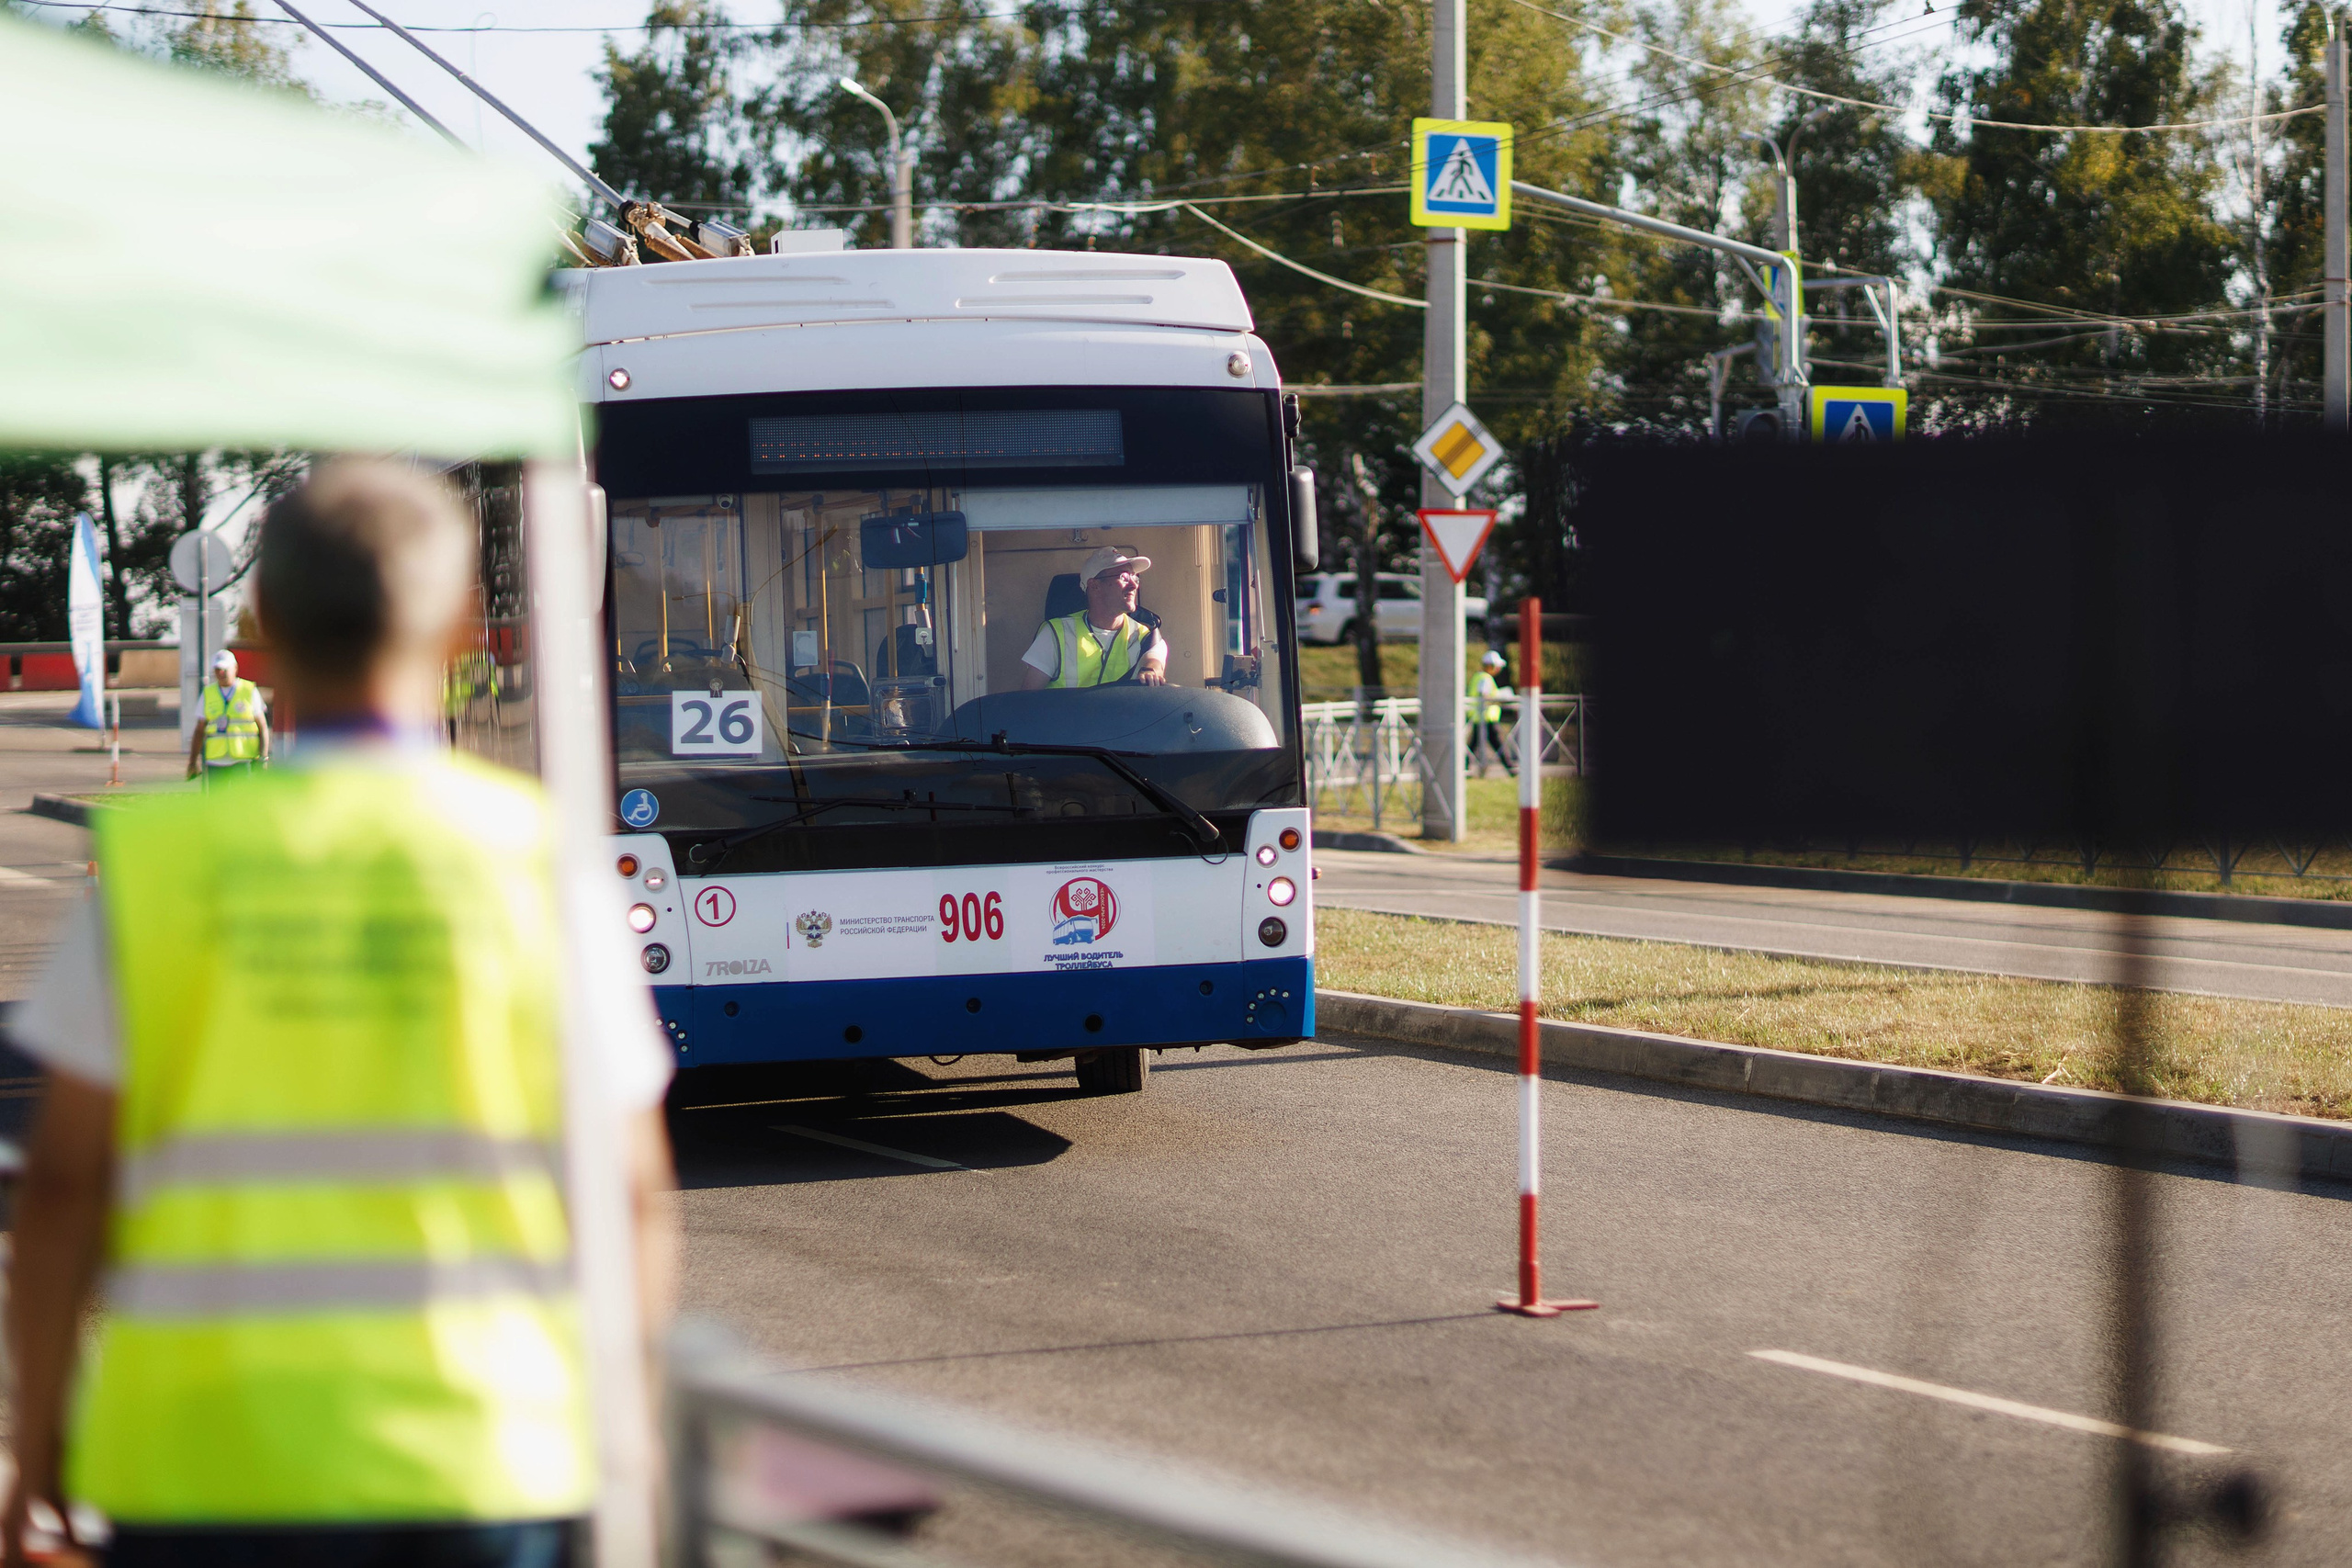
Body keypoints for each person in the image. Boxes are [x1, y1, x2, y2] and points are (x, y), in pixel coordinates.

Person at [6, 460, 677, 1568]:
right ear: (462, 625)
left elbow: (65, 1189)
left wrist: (37, 1462)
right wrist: (627, 1452)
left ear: (261, 617)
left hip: (200, 1466)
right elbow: (629, 1194)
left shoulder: (159, 863)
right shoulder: (539, 859)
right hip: (483, 1463)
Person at [1019, 546, 1168, 689]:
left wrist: (1150, 671)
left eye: (1135, 578)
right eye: (1124, 577)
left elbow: (1154, 662)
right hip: (1065, 715)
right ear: (1095, 586)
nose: (1134, 586)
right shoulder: (1056, 633)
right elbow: (1029, 701)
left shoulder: (1146, 635)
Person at [184, 647, 269, 781]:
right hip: (216, 761)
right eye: (217, 669)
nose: (221, 673)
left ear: (235, 668)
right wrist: (193, 761)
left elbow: (262, 726)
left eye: (225, 669)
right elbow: (200, 729)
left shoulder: (249, 691)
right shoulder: (208, 693)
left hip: (243, 759)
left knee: (241, 801)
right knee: (217, 802)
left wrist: (263, 757)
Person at [1469, 649, 1511, 775]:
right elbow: (1484, 696)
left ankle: (1465, 767)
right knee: (1496, 743)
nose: (1498, 669)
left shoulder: (1479, 677)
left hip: (1481, 718)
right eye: (1497, 667)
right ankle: (1510, 768)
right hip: (1486, 718)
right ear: (1491, 666)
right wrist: (1499, 698)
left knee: (1474, 745)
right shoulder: (1485, 679)